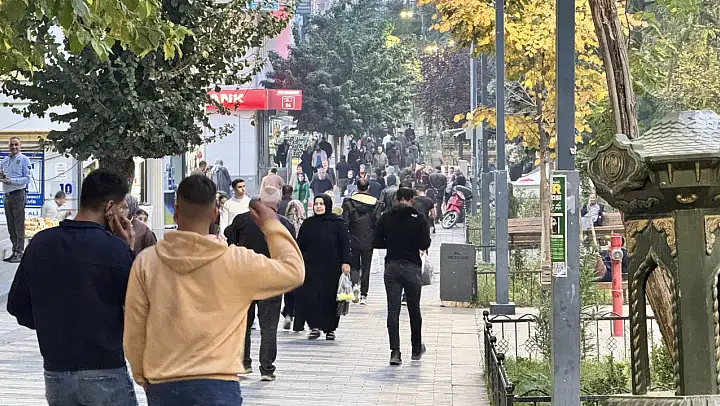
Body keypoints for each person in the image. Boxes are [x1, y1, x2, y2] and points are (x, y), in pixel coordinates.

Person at [123, 175, 304, 405]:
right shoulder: (235, 261)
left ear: (176, 211)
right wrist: (272, 225)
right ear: (215, 214)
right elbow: (294, 271)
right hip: (219, 383)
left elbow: (134, 330)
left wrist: (142, 375)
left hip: (164, 383)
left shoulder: (147, 263)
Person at [7, 169, 138, 405]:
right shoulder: (115, 250)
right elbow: (138, 308)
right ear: (110, 207)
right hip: (105, 368)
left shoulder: (40, 243)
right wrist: (128, 248)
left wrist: (52, 324)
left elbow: (18, 307)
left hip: (57, 372)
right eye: (122, 209)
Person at [224, 187, 297, 382]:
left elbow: (230, 243)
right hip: (272, 281)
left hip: (244, 281)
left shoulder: (242, 220)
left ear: (260, 202)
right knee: (269, 327)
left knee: (243, 324)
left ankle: (243, 363)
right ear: (277, 204)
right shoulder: (284, 224)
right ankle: (267, 368)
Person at [372, 187, 431, 366]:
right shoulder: (418, 217)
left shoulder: (386, 216)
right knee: (414, 309)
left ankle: (395, 352)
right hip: (412, 267)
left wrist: (392, 243)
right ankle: (416, 349)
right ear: (411, 199)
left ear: (397, 199)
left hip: (392, 266)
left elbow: (376, 241)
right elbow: (425, 243)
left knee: (393, 310)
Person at [293, 195, 351, 340]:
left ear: (328, 205)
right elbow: (300, 245)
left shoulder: (337, 223)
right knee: (312, 297)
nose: (318, 206)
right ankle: (314, 327)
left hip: (332, 268)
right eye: (316, 204)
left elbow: (345, 244)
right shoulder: (308, 224)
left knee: (330, 298)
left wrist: (346, 262)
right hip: (311, 267)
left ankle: (330, 328)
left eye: (321, 204)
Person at [342, 179, 379, 305]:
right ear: (368, 188)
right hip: (369, 240)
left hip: (353, 239)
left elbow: (345, 223)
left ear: (357, 188)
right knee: (366, 266)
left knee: (354, 264)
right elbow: (377, 222)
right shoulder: (375, 204)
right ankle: (364, 295)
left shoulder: (349, 203)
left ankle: (355, 285)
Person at [1, 136, 31, 263]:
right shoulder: (5, 160)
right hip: (7, 195)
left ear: (20, 146)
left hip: (18, 194)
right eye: (11, 145)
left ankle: (20, 252)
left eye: (16, 144)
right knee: (11, 225)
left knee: (19, 224)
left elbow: (27, 179)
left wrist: (12, 181)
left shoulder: (24, 159)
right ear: (8, 146)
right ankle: (14, 251)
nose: (13, 147)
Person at [282, 199, 306, 329]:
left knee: (288, 289)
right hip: (300, 261)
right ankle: (297, 317)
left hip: (287, 259)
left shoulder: (284, 223)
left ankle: (288, 313)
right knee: (299, 289)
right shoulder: (305, 224)